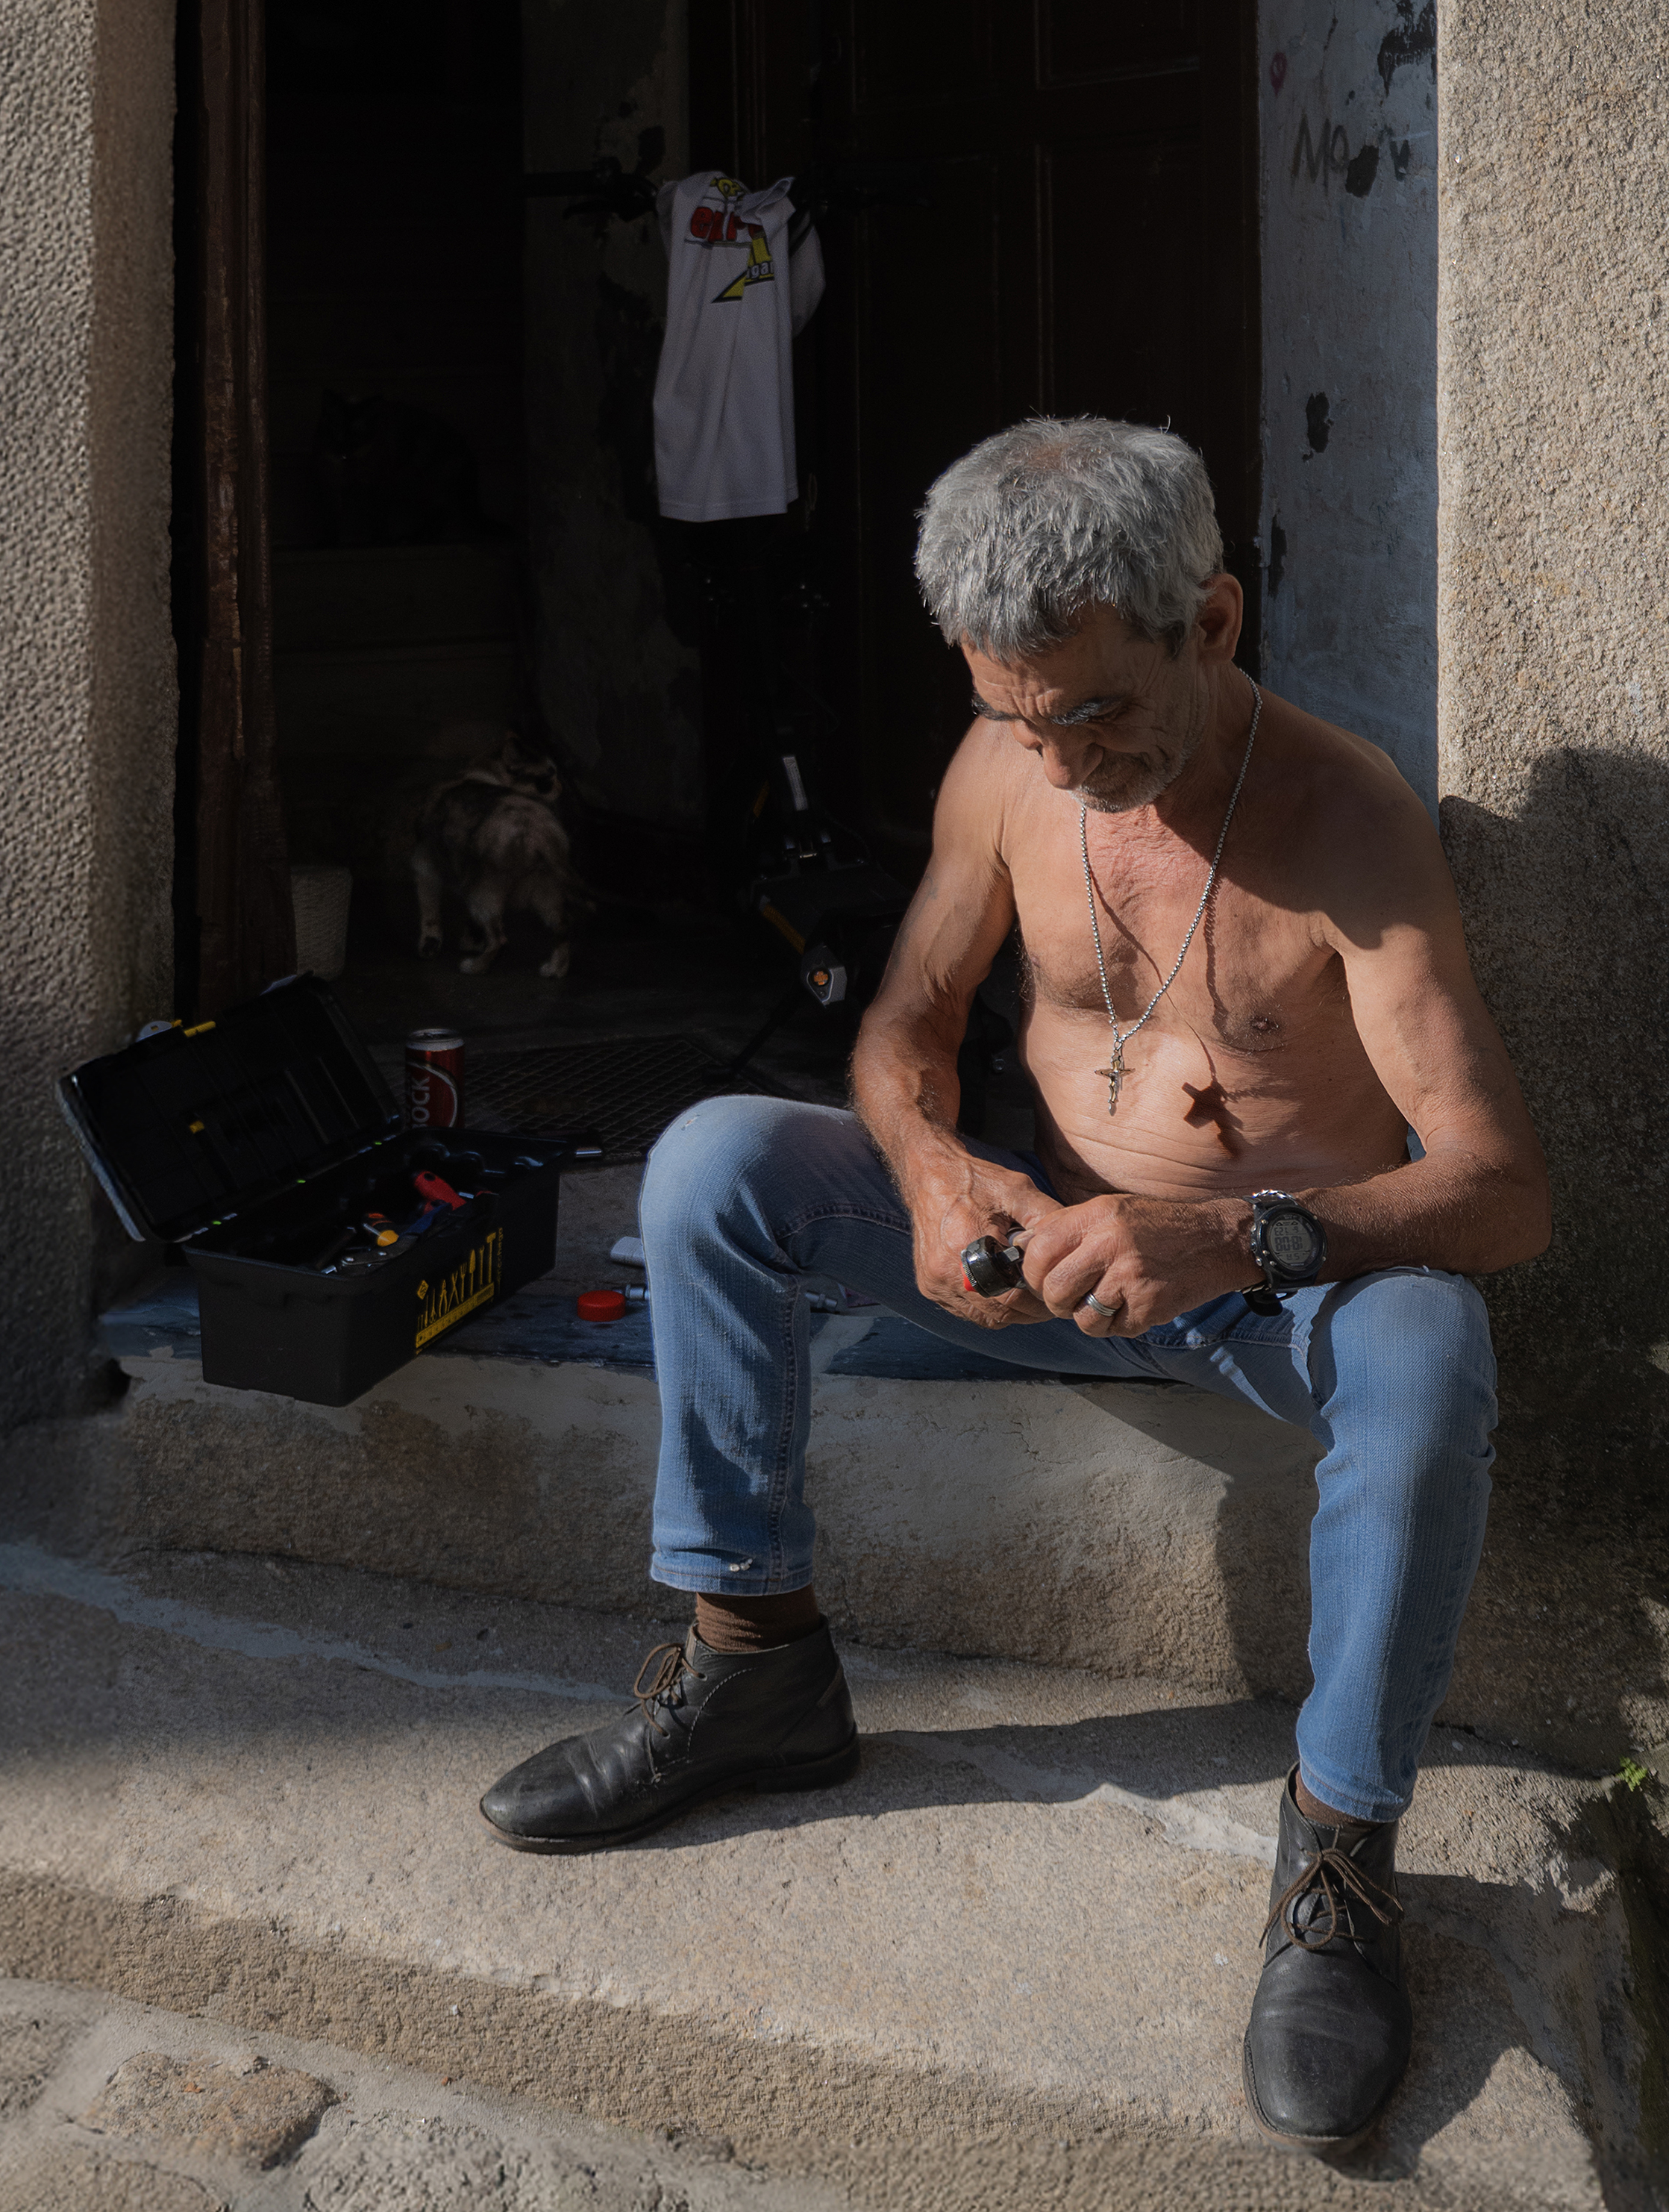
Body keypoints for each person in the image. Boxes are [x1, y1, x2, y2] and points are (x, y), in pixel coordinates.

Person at [478, 417, 1550, 2158]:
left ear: (1209, 622)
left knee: (1431, 1348)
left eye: (1095, 711)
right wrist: (928, 1172)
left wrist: (1227, 1235)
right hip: (1043, 1255)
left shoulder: (1342, 821)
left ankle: (1339, 1855)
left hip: (1274, 1291)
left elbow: (1499, 1191)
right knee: (709, 1161)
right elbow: (903, 1022)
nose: (1055, 759)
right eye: (1014, 712)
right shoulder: (1005, 763)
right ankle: (752, 1665)